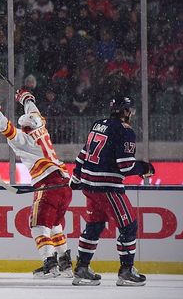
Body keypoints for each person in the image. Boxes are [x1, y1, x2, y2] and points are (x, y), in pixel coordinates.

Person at [0, 88, 72, 278]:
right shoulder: (42, 127)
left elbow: (5, 127)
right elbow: (32, 110)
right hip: (64, 184)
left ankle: (50, 263)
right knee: (55, 224)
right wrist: (25, 97)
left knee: (38, 225)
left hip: (48, 184)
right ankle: (65, 263)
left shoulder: (25, 139)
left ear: (26, 128)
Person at [69, 96, 154, 286]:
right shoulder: (125, 131)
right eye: (129, 109)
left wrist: (75, 176)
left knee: (94, 226)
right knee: (128, 227)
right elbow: (125, 166)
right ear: (124, 111)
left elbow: (84, 154)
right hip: (108, 188)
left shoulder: (98, 124)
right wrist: (144, 167)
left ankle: (82, 269)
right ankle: (126, 272)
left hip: (89, 186)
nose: (131, 113)